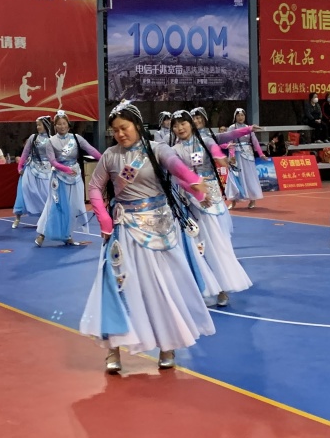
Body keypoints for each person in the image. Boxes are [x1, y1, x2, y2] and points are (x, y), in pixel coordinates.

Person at [79, 101, 214, 373]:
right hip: (125, 229)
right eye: (115, 130)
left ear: (138, 126)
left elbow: (177, 168)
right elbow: (95, 187)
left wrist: (195, 184)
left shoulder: (156, 149)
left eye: (124, 128)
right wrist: (104, 220)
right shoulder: (110, 156)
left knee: (163, 287)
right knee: (119, 287)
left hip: (159, 229)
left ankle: (167, 345)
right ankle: (113, 351)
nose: (119, 134)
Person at [169, 110, 251, 307]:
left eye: (183, 123)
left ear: (191, 124)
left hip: (211, 200)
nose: (180, 128)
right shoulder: (174, 150)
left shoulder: (205, 140)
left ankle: (222, 287)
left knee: (216, 243)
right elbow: (177, 176)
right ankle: (203, 288)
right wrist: (197, 192)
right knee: (194, 246)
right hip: (189, 200)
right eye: (176, 125)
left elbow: (216, 149)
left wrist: (220, 158)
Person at [35, 111, 99, 247]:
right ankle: (42, 234)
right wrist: (66, 169)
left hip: (75, 177)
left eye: (64, 123)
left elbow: (91, 150)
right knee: (55, 206)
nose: (62, 126)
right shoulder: (51, 141)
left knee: (74, 207)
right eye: (59, 124)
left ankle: (68, 234)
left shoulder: (76, 138)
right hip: (59, 178)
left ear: (68, 125)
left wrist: (104, 159)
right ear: (55, 126)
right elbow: (52, 161)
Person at [13, 118, 67, 228]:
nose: (38, 127)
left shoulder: (52, 140)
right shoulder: (33, 138)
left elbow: (57, 157)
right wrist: (20, 167)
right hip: (31, 169)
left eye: (40, 125)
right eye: (37, 125)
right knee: (24, 191)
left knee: (46, 194)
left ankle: (46, 219)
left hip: (46, 170)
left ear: (46, 126)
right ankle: (17, 218)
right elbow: (25, 153)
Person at [222, 108, 264, 210]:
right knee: (233, 177)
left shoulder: (248, 128)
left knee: (250, 176)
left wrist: (261, 153)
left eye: (242, 115)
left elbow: (255, 142)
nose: (240, 117)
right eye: (238, 115)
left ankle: (252, 199)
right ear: (235, 117)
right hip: (235, 155)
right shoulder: (232, 128)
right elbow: (230, 142)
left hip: (248, 155)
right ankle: (233, 200)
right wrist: (231, 156)